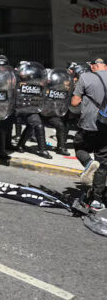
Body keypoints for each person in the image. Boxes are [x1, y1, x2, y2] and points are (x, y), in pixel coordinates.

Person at [71, 58, 107, 210]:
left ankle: (87, 162)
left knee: (79, 146)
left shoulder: (85, 77)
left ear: (94, 66)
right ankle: (97, 200)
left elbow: (74, 102)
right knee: (103, 161)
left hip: (90, 124)